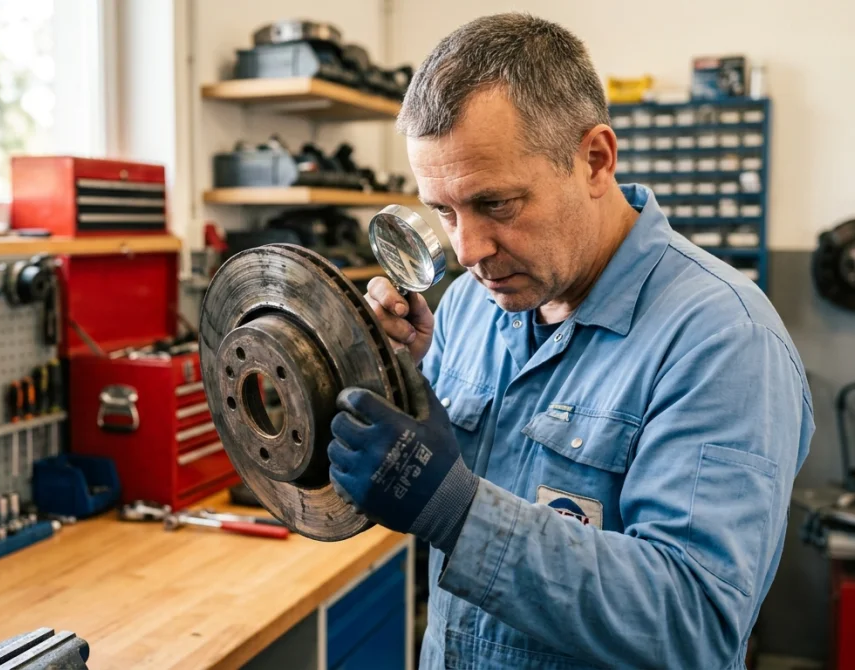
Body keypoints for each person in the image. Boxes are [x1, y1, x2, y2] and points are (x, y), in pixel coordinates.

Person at [326, 13, 813, 669]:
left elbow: (693, 622)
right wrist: (398, 378)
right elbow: (443, 460)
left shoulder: (724, 341)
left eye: (496, 204)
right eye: (444, 210)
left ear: (594, 160)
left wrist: (456, 513)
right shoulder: (473, 302)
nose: (468, 251)